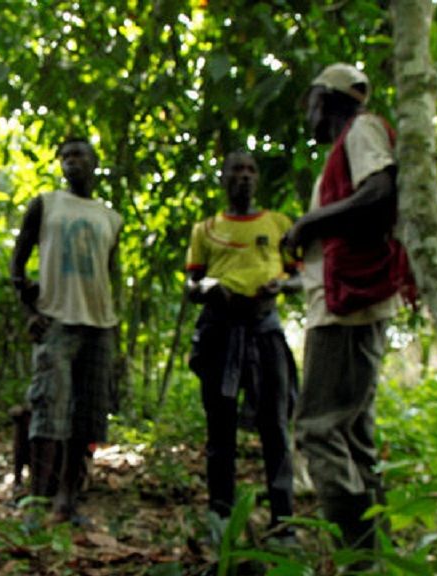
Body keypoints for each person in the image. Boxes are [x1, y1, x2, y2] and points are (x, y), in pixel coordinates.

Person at [283, 63, 411, 553]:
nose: (308, 116)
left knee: (318, 428)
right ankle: (376, 553)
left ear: (328, 99)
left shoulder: (361, 130)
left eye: (310, 104)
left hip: (346, 309)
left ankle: (358, 556)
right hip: (339, 301)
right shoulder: (345, 148)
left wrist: (308, 223)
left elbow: (379, 192)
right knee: (353, 432)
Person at [185, 150, 300, 543]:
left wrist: (280, 286)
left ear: (258, 179)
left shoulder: (278, 224)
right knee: (220, 428)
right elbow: (191, 285)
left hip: (265, 329)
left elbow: (300, 275)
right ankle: (221, 518)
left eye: (251, 170)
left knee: (276, 427)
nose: (244, 177)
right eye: (236, 169)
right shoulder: (206, 229)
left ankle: (283, 522)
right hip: (220, 331)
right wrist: (212, 288)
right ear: (223, 177)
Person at [10, 137, 122, 525]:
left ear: (94, 163)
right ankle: (36, 506)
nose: (73, 161)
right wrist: (29, 311)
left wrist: (115, 329)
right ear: (60, 164)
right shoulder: (45, 204)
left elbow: (112, 276)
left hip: (99, 328)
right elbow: (18, 261)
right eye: (66, 156)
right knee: (48, 409)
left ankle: (67, 502)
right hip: (56, 321)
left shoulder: (111, 217)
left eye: (80, 155)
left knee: (87, 417)